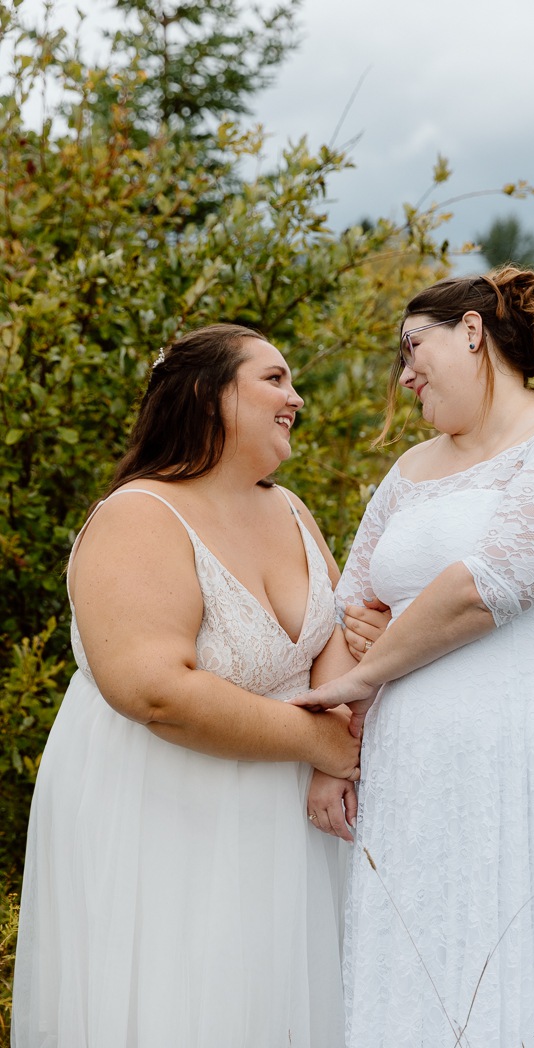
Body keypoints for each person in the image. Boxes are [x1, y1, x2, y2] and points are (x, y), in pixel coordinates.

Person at [294, 269, 534, 1047]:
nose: (404, 373)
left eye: (412, 345)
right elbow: (354, 601)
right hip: (420, 767)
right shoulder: (406, 472)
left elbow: (489, 584)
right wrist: (336, 746)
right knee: (431, 949)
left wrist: (372, 667)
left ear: (471, 331)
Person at [11, 323, 382, 1048]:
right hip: (167, 812)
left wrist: (339, 712)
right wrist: (321, 743)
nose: (296, 397)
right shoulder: (139, 516)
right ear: (210, 396)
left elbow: (331, 635)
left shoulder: (289, 507)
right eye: (274, 379)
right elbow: (153, 690)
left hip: (288, 821)